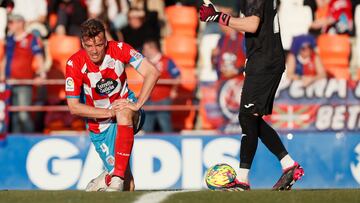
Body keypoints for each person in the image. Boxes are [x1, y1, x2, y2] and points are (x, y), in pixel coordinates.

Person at [200, 0, 304, 191]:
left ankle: (243, 179)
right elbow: (249, 26)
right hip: (263, 59)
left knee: (247, 116)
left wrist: (217, 17)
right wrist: (218, 14)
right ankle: (288, 165)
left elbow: (252, 24)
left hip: (265, 60)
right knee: (250, 118)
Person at [65, 18, 160, 192]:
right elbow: (74, 107)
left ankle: (115, 177)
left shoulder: (119, 49)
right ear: (82, 43)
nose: (94, 51)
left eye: (99, 45)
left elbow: (152, 72)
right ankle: (110, 176)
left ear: (106, 41)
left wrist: (137, 103)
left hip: (128, 111)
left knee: (123, 111)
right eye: (89, 46)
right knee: (127, 183)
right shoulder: (74, 63)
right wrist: (109, 112)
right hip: (100, 126)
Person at [0, 14, 46, 133]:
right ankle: (16, 145)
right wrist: (2, 75)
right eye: (9, 23)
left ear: (20, 23)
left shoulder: (31, 38)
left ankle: (30, 139)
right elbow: (5, 59)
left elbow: (39, 57)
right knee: (12, 117)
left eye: (12, 22)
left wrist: (41, 74)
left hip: (24, 83)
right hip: (9, 83)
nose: (9, 25)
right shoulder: (9, 40)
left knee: (23, 115)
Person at [142, 39, 180, 133]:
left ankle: (171, 143)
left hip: (163, 98)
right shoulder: (145, 63)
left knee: (165, 124)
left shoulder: (166, 60)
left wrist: (174, 90)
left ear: (153, 49)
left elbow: (177, 76)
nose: (144, 52)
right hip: (148, 98)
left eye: (146, 49)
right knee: (147, 126)